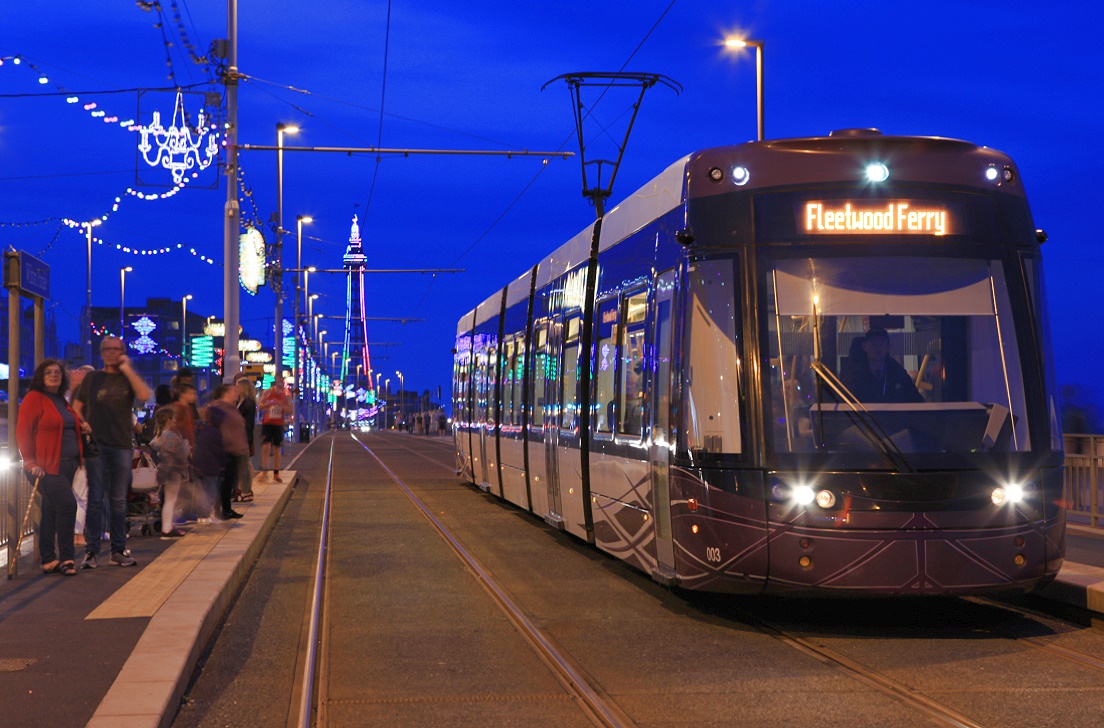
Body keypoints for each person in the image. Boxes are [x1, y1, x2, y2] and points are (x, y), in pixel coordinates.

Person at [73, 336, 152, 568]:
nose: (112, 353)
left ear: (123, 352)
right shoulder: (92, 378)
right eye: (108, 349)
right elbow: (77, 407)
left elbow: (145, 395)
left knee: (118, 500)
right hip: (97, 445)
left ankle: (118, 550)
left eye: (117, 349)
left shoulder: (127, 378)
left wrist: (127, 368)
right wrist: (83, 423)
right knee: (95, 499)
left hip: (121, 446)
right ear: (101, 352)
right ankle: (92, 552)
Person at [17, 360, 85, 576]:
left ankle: (48, 559)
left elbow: (65, 427)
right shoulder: (34, 398)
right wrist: (30, 461)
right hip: (44, 467)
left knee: (50, 510)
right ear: (40, 376)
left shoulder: (60, 400)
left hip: (67, 464)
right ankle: (67, 558)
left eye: (57, 372)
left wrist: (83, 427)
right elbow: (23, 432)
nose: (54, 375)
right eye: (48, 372)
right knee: (67, 506)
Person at [841, 328, 923, 404]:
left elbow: (918, 402)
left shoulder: (897, 372)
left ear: (888, 347)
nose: (878, 348)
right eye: (873, 343)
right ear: (864, 346)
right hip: (862, 419)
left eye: (882, 343)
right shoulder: (853, 375)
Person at [209, 384, 247, 520]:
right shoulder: (218, 407)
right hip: (224, 450)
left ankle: (227, 509)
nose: (237, 393)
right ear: (226, 393)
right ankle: (222, 510)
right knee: (224, 482)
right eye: (234, 391)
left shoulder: (231, 408)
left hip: (234, 450)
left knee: (229, 482)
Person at [149, 407, 189, 538]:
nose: (175, 420)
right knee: (171, 500)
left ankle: (167, 526)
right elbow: (181, 454)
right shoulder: (171, 436)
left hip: (163, 471)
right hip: (173, 471)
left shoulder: (157, 436)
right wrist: (186, 446)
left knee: (167, 500)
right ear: (168, 420)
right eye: (173, 418)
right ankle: (167, 528)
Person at [258, 377, 291, 482]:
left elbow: (290, 410)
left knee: (277, 448)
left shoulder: (286, 395)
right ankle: (265, 472)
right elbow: (259, 406)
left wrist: (281, 405)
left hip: (278, 424)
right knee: (266, 447)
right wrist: (268, 404)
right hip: (267, 423)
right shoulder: (267, 392)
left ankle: (276, 473)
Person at [234, 377, 258, 502]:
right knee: (242, 465)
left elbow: (247, 424)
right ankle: (241, 490)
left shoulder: (247, 403)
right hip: (241, 438)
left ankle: (245, 491)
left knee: (244, 466)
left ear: (244, 388)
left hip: (243, 438)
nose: (236, 389)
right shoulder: (241, 402)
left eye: (238, 387)